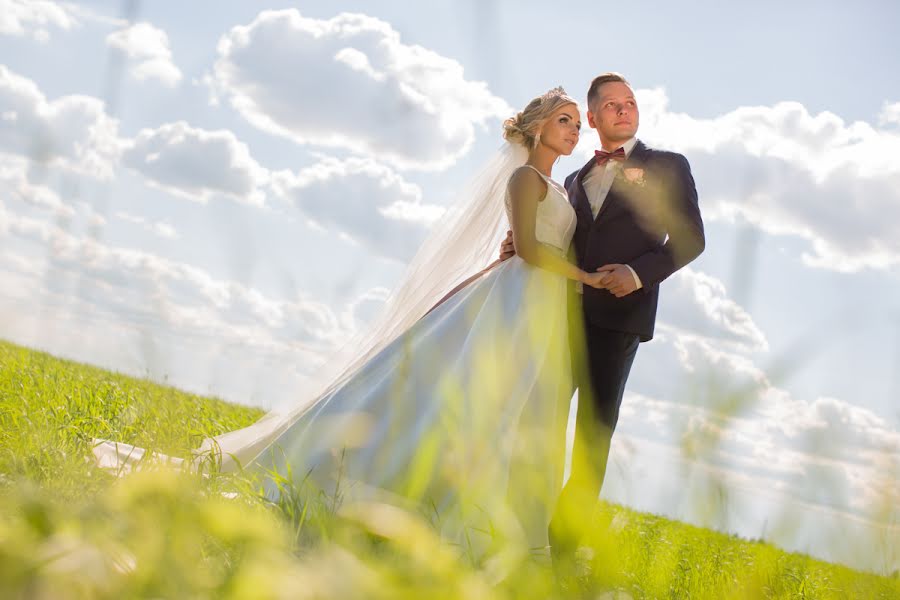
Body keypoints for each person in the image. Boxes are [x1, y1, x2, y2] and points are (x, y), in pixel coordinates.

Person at [93, 87, 606, 559]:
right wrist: (582, 274)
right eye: (564, 120)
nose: (573, 130)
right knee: (462, 391)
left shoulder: (558, 186)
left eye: (577, 125)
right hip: (514, 298)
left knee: (513, 404)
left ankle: (494, 520)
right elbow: (533, 248)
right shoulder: (522, 178)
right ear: (537, 126)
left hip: (542, 306)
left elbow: (539, 243)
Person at [499, 72, 705, 568]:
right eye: (610, 105)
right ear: (592, 119)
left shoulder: (669, 165)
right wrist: (521, 247)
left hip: (619, 317)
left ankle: (562, 549)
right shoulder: (572, 179)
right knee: (536, 417)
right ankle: (517, 526)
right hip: (559, 315)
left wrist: (637, 274)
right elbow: (560, 238)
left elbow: (691, 239)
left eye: (630, 102)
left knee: (594, 432)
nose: (623, 109)